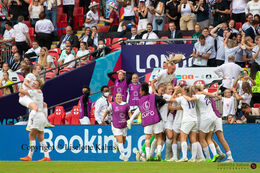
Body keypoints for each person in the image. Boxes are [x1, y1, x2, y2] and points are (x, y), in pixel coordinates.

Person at [128, 82, 166, 161]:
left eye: (140, 91)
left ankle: (148, 155)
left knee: (147, 139)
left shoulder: (140, 101)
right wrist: (157, 106)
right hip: (156, 119)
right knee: (159, 137)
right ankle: (158, 153)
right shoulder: (153, 96)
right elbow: (163, 101)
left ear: (143, 91)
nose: (139, 92)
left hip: (147, 121)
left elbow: (139, 111)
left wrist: (130, 120)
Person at [20, 79, 51, 161]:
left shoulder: (35, 91)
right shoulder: (39, 92)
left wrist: (23, 84)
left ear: (39, 86)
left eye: (35, 84)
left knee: (31, 135)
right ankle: (47, 156)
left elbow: (21, 91)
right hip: (41, 116)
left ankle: (29, 156)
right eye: (33, 83)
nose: (33, 84)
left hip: (37, 116)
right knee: (40, 136)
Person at [189, 84, 220, 162]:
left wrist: (185, 96)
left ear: (196, 90)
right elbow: (212, 95)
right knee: (208, 138)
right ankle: (215, 154)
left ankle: (208, 158)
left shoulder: (198, 96)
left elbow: (192, 99)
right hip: (213, 117)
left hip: (205, 118)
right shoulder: (205, 94)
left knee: (201, 138)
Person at [169, 86, 198, 162]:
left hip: (187, 120)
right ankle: (193, 158)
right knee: (193, 139)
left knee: (183, 138)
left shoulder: (182, 98)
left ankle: (184, 157)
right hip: (195, 119)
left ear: (185, 91)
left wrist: (175, 92)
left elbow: (171, 99)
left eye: (183, 90)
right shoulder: (194, 97)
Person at [102, 92, 132, 161]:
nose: (119, 97)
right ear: (115, 98)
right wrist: (103, 119)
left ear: (122, 97)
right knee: (120, 140)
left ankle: (117, 144)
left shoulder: (126, 105)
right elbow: (107, 111)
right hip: (115, 125)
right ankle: (124, 156)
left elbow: (129, 114)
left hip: (124, 125)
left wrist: (130, 120)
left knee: (123, 141)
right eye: (117, 96)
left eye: (120, 96)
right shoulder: (112, 105)